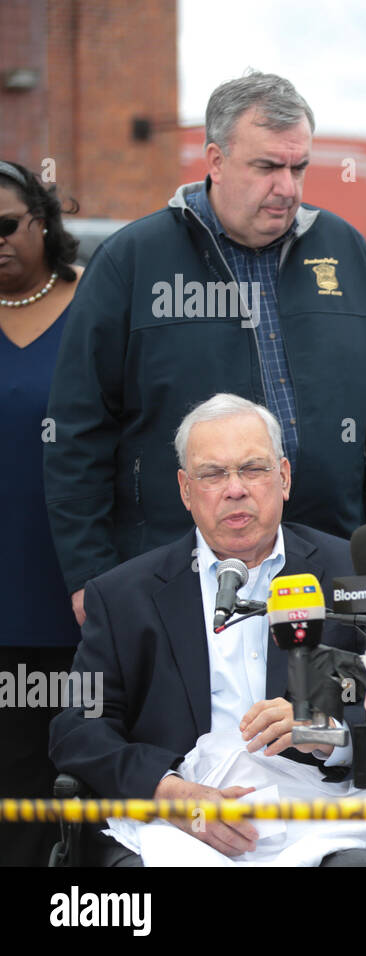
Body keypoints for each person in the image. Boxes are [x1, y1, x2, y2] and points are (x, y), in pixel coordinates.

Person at [44, 70, 366, 628]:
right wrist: (90, 576)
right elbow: (77, 430)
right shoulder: (133, 262)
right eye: (267, 166)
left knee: (324, 717)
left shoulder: (345, 252)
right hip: (170, 572)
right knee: (194, 717)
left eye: (299, 167)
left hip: (330, 565)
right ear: (215, 161)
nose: (288, 187)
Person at [48, 394, 366, 865]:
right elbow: (77, 730)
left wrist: (331, 733)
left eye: (253, 469)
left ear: (284, 478)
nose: (235, 489)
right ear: (186, 490)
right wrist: (167, 791)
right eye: (213, 474)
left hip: (322, 812)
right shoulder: (124, 593)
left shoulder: (350, 571)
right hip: (177, 819)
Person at [0, 160, 84, 866]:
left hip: (80, 586)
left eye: (7, 225)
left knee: (86, 771)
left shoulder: (94, 305)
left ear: (45, 221)